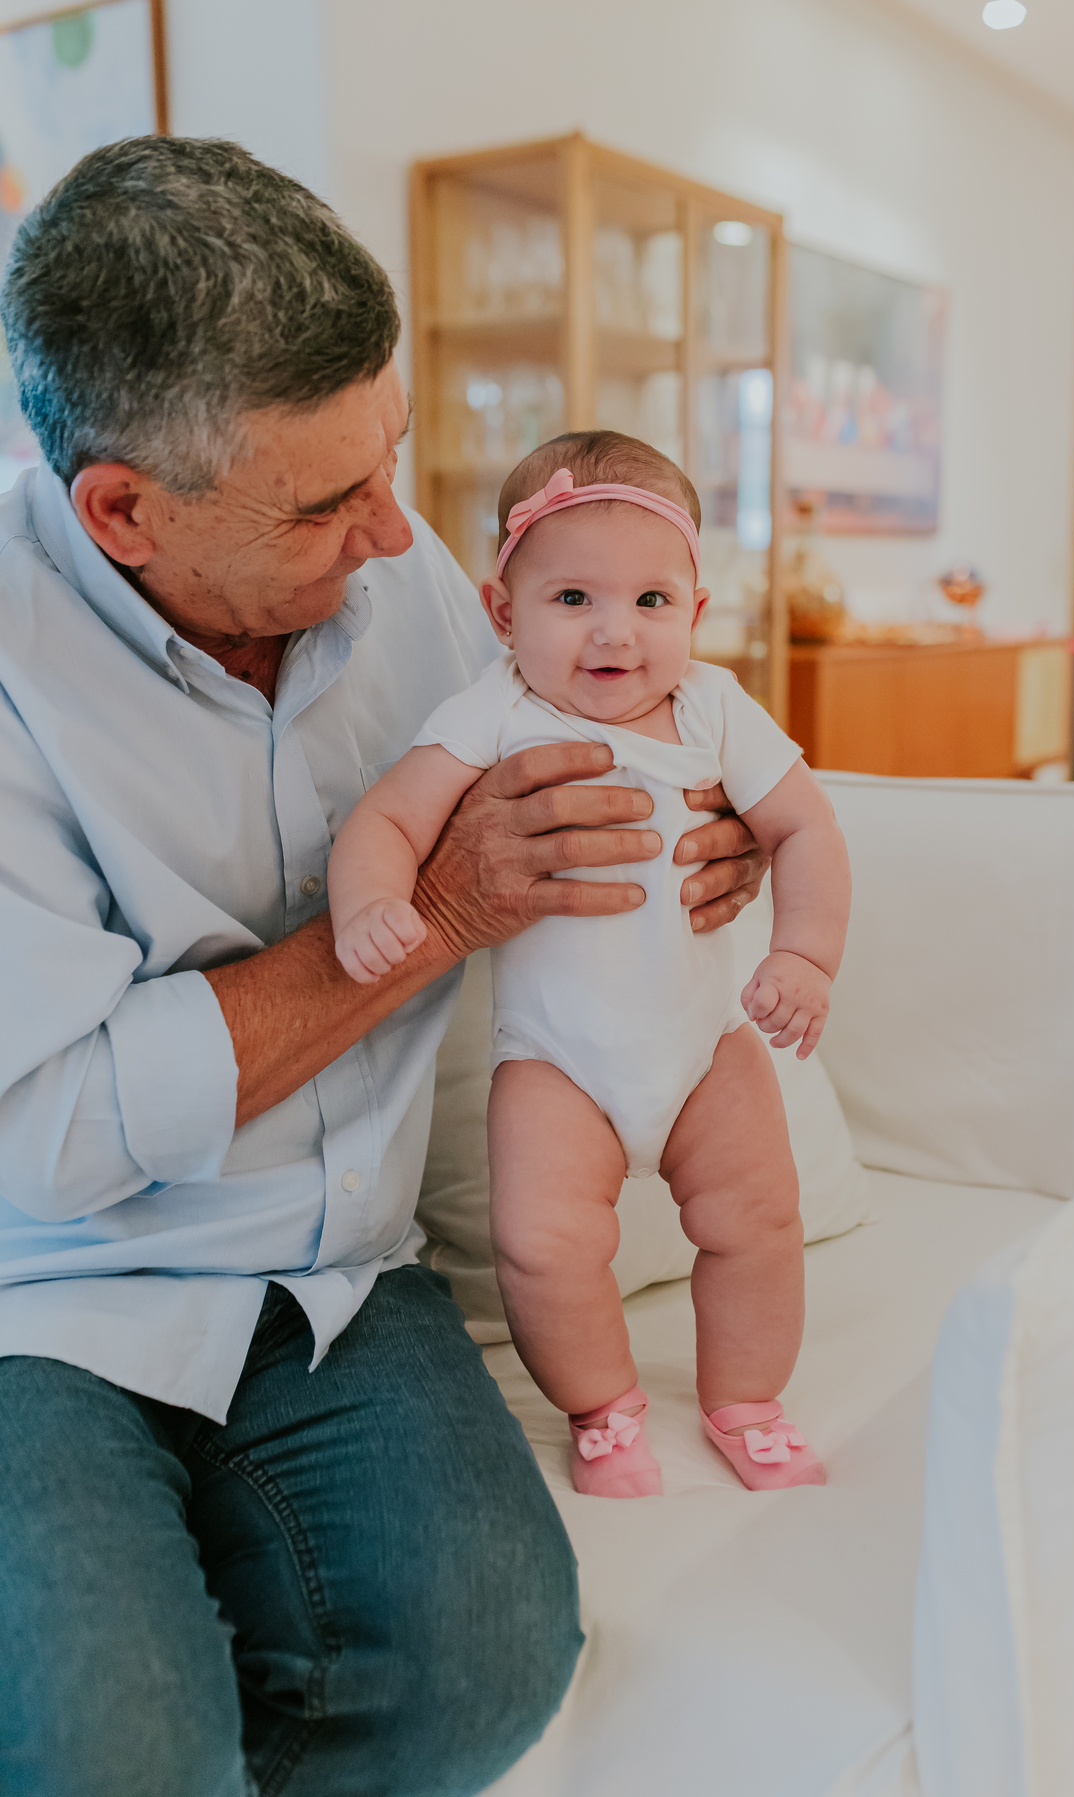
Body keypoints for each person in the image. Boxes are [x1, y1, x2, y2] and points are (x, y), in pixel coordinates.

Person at [0, 139, 767, 1797]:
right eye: (327, 498)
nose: (401, 528)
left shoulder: (404, 579)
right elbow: (45, 1137)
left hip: (345, 1268)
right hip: (41, 1295)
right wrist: (438, 912)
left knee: (482, 1664)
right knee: (109, 1745)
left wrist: (726, 829)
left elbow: (626, 694)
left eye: (394, 455)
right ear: (121, 510)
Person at [328, 432, 852, 1499]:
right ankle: (604, 1408)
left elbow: (806, 830)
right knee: (542, 1245)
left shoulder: (714, 711)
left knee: (759, 1222)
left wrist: (805, 953)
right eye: (572, 598)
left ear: (695, 615)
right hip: (556, 1062)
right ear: (503, 612)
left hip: (709, 1045)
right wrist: (373, 902)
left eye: (653, 601)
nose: (616, 632)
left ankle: (745, 1399)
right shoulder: (497, 711)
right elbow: (388, 817)